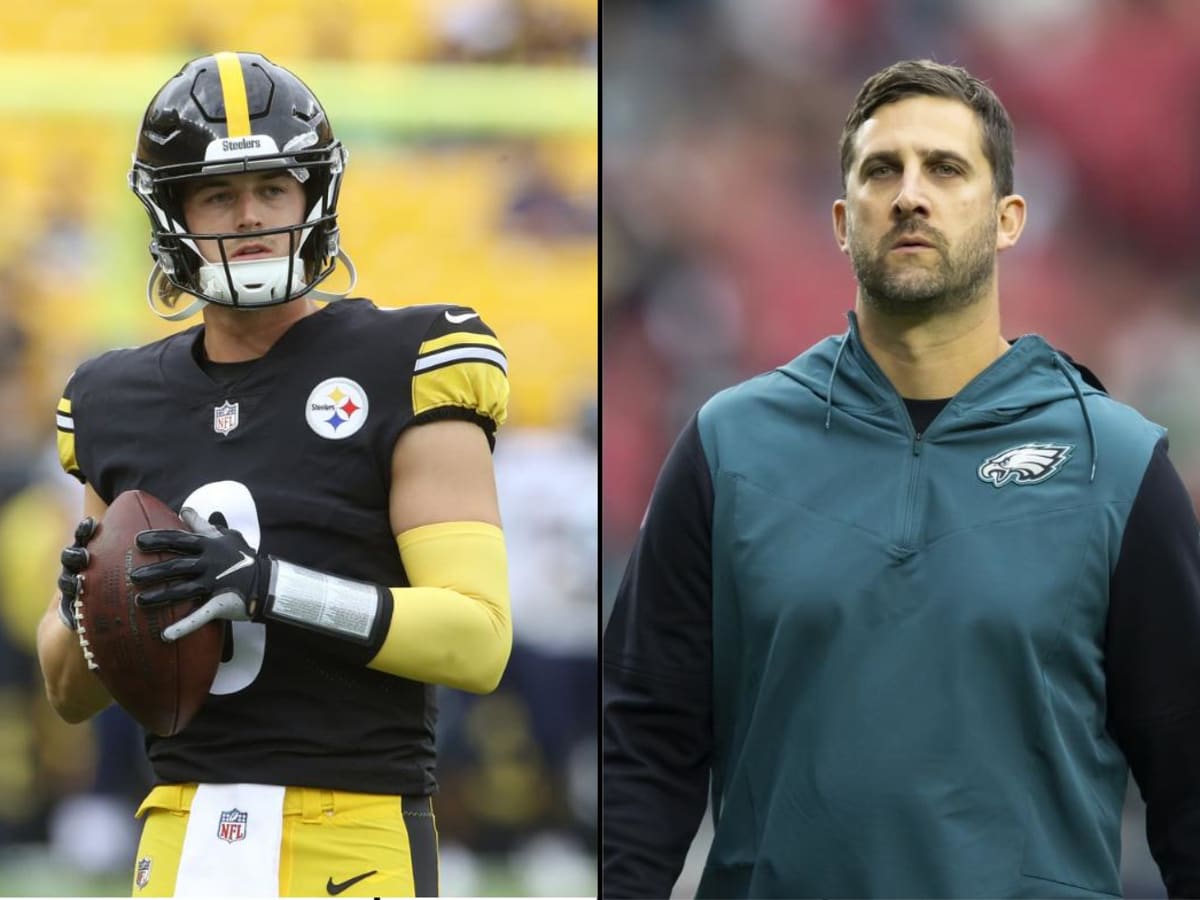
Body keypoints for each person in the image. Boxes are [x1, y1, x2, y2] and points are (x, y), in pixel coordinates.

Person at [602, 59, 1200, 898]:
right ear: (844, 222)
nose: (910, 194)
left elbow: (1187, 776)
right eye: (883, 170)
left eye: (946, 169)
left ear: (1007, 219)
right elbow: (645, 743)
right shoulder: (727, 447)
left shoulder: (1118, 466)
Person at [35, 51, 513, 898]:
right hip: (180, 825)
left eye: (272, 188)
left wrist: (267, 588)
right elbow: (69, 695)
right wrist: (88, 612)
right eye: (217, 194)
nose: (248, 216)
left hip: (353, 822)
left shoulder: (408, 359)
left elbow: (478, 640)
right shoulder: (113, 398)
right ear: (171, 211)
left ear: (313, 198)